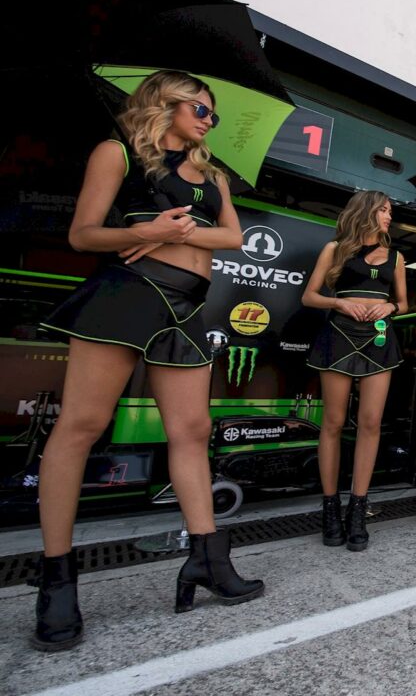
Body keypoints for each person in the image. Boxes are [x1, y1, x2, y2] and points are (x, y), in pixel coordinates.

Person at [33, 71, 262, 649]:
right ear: (165, 103)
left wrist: (163, 233)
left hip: (188, 306)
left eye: (213, 114)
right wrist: (143, 231)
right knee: (81, 426)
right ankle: (56, 580)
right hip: (128, 293)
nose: (209, 121)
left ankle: (208, 558)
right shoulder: (117, 153)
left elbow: (233, 237)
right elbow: (84, 234)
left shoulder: (213, 176)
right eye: (200, 109)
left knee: (192, 431)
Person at [303, 191, 408, 552]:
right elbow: (309, 296)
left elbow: (404, 302)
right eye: (383, 210)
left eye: (390, 211)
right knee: (333, 422)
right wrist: (339, 302)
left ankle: (357, 510)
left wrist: (390, 307)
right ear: (366, 211)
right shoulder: (335, 250)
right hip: (339, 334)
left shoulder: (396, 257)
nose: (388, 217)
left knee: (370, 423)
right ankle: (330, 509)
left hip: (378, 340)